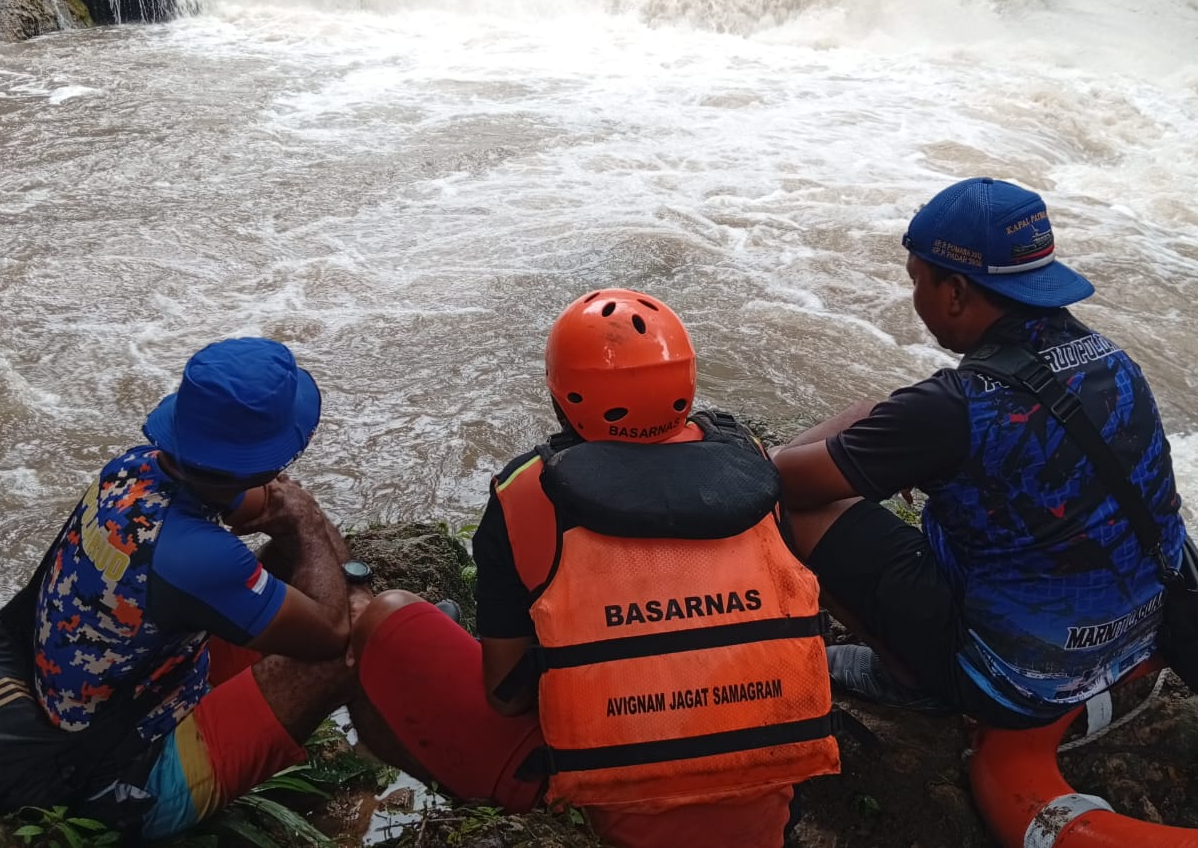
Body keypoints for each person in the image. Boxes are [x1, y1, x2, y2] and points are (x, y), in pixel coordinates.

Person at [351, 289, 839, 848]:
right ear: (685, 385)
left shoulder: (525, 491)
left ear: (562, 399)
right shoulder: (751, 465)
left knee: (385, 616)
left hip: (616, 803)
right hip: (770, 806)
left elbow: (507, 695)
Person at [772, 177, 1188, 728]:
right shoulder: (1113, 361)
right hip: (1140, 637)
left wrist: (854, 420)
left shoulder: (952, 408)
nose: (916, 296)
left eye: (916, 280)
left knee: (795, 514)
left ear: (956, 293)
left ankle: (909, 677)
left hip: (1018, 683)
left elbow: (775, 483)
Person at [0, 337, 370, 838]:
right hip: (119, 779)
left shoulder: (132, 468)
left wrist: (290, 516)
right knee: (357, 633)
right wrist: (309, 522)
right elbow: (332, 632)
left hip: (78, 699)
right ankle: (384, 741)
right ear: (269, 463)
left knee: (299, 555)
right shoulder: (198, 556)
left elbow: (257, 506)